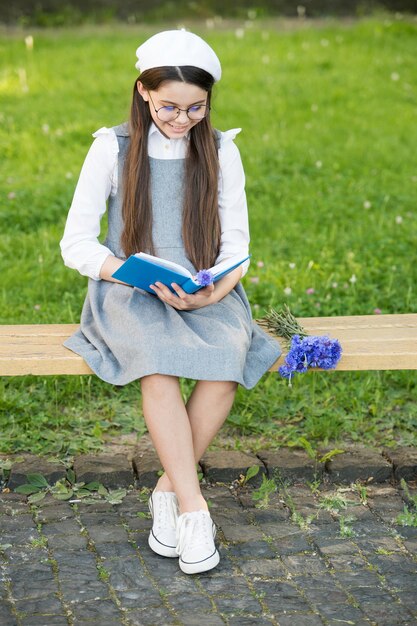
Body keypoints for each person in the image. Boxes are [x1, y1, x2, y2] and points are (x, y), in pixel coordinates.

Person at [60, 29, 281, 575]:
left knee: (226, 361)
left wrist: (213, 291)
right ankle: (194, 508)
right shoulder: (111, 147)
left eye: (195, 108)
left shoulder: (222, 149)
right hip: (129, 291)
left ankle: (165, 489)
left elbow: (238, 246)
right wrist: (131, 276)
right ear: (142, 92)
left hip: (203, 286)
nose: (182, 120)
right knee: (156, 365)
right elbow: (76, 245)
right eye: (169, 107)